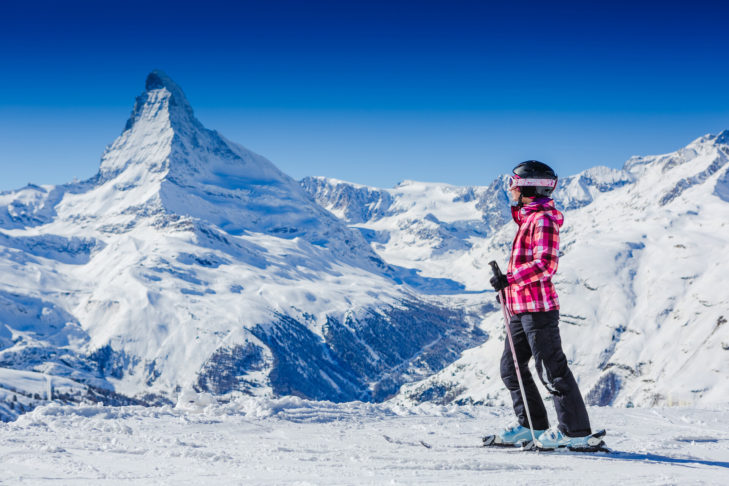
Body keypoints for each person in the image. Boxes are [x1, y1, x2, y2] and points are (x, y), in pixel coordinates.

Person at [486, 160, 594, 449]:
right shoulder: (527, 219)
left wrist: (509, 278)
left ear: (529, 188)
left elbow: (546, 265)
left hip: (539, 309)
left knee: (551, 370)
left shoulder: (542, 220)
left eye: (514, 184)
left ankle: (576, 432)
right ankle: (531, 426)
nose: (510, 189)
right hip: (520, 309)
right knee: (511, 369)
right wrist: (507, 289)